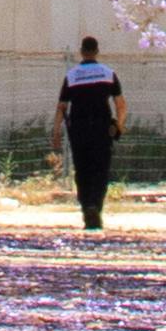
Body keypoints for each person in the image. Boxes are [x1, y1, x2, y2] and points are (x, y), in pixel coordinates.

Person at [54, 34, 125, 233]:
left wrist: (56, 132)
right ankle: (96, 206)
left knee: (82, 169)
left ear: (82, 52)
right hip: (102, 129)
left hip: (79, 130)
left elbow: (61, 107)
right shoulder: (108, 74)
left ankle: (86, 207)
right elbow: (120, 105)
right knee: (100, 170)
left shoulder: (72, 76)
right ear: (97, 51)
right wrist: (118, 126)